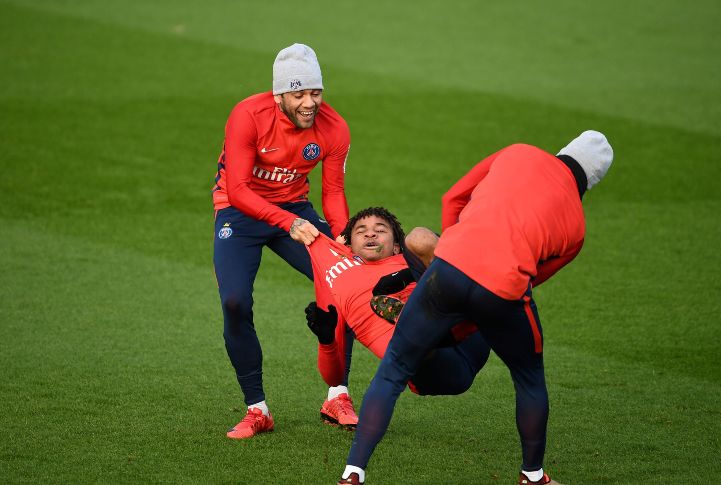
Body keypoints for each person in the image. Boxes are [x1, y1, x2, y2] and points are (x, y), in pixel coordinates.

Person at [337, 131, 614, 485]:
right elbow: (531, 279)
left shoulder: (518, 152)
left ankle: (352, 474)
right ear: (589, 183)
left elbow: (453, 196)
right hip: (501, 289)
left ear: (563, 152)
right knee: (529, 380)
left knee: (392, 371)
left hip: (449, 267)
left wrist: (454, 246)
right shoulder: (576, 227)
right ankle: (533, 476)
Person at [211, 43, 355, 439]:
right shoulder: (247, 115)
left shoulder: (335, 128)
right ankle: (257, 409)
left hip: (295, 208)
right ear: (279, 95)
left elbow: (335, 191)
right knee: (235, 301)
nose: (310, 103)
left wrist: (341, 233)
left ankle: (338, 395)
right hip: (239, 212)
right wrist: (287, 222)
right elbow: (238, 190)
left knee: (347, 283)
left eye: (316, 92)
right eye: (299, 94)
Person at [303, 207, 490, 430]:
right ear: (349, 247)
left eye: (380, 230)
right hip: (435, 368)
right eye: (361, 231)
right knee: (419, 331)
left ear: (396, 246)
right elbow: (333, 378)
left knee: (425, 241)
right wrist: (326, 342)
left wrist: (407, 274)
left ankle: (422, 317)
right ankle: (416, 323)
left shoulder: (411, 258)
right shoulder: (344, 286)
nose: (370, 234)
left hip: (473, 337)